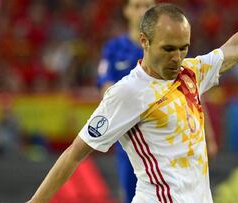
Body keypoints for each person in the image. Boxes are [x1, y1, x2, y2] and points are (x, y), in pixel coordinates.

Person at [27, 0, 238, 202]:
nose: (177, 57)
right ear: (144, 42)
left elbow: (237, 48)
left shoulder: (191, 73)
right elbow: (75, 153)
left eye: (183, 48)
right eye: (168, 49)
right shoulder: (128, 93)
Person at [96, 0, 154, 202]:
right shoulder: (114, 48)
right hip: (129, 134)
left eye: (147, 6)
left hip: (163, 130)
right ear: (127, 11)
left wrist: (208, 135)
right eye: (137, 6)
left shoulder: (164, 47)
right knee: (132, 194)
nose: (142, 11)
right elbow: (105, 85)